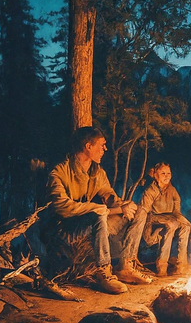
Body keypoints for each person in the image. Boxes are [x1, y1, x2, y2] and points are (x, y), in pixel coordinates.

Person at [45, 126, 152, 295]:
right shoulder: (59, 172)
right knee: (98, 215)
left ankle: (125, 266)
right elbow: (61, 206)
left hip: (91, 223)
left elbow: (108, 193)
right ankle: (104, 271)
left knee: (140, 212)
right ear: (88, 146)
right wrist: (102, 208)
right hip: (64, 231)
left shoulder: (96, 172)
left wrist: (121, 204)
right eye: (102, 145)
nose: (105, 149)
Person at [120, 162, 191, 277]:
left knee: (186, 226)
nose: (166, 176)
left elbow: (176, 211)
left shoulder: (172, 190)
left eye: (168, 173)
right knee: (171, 224)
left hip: (169, 218)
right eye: (163, 173)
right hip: (153, 221)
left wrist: (183, 220)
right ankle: (162, 265)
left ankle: (181, 265)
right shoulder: (150, 191)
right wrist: (166, 221)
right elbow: (145, 214)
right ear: (155, 175)